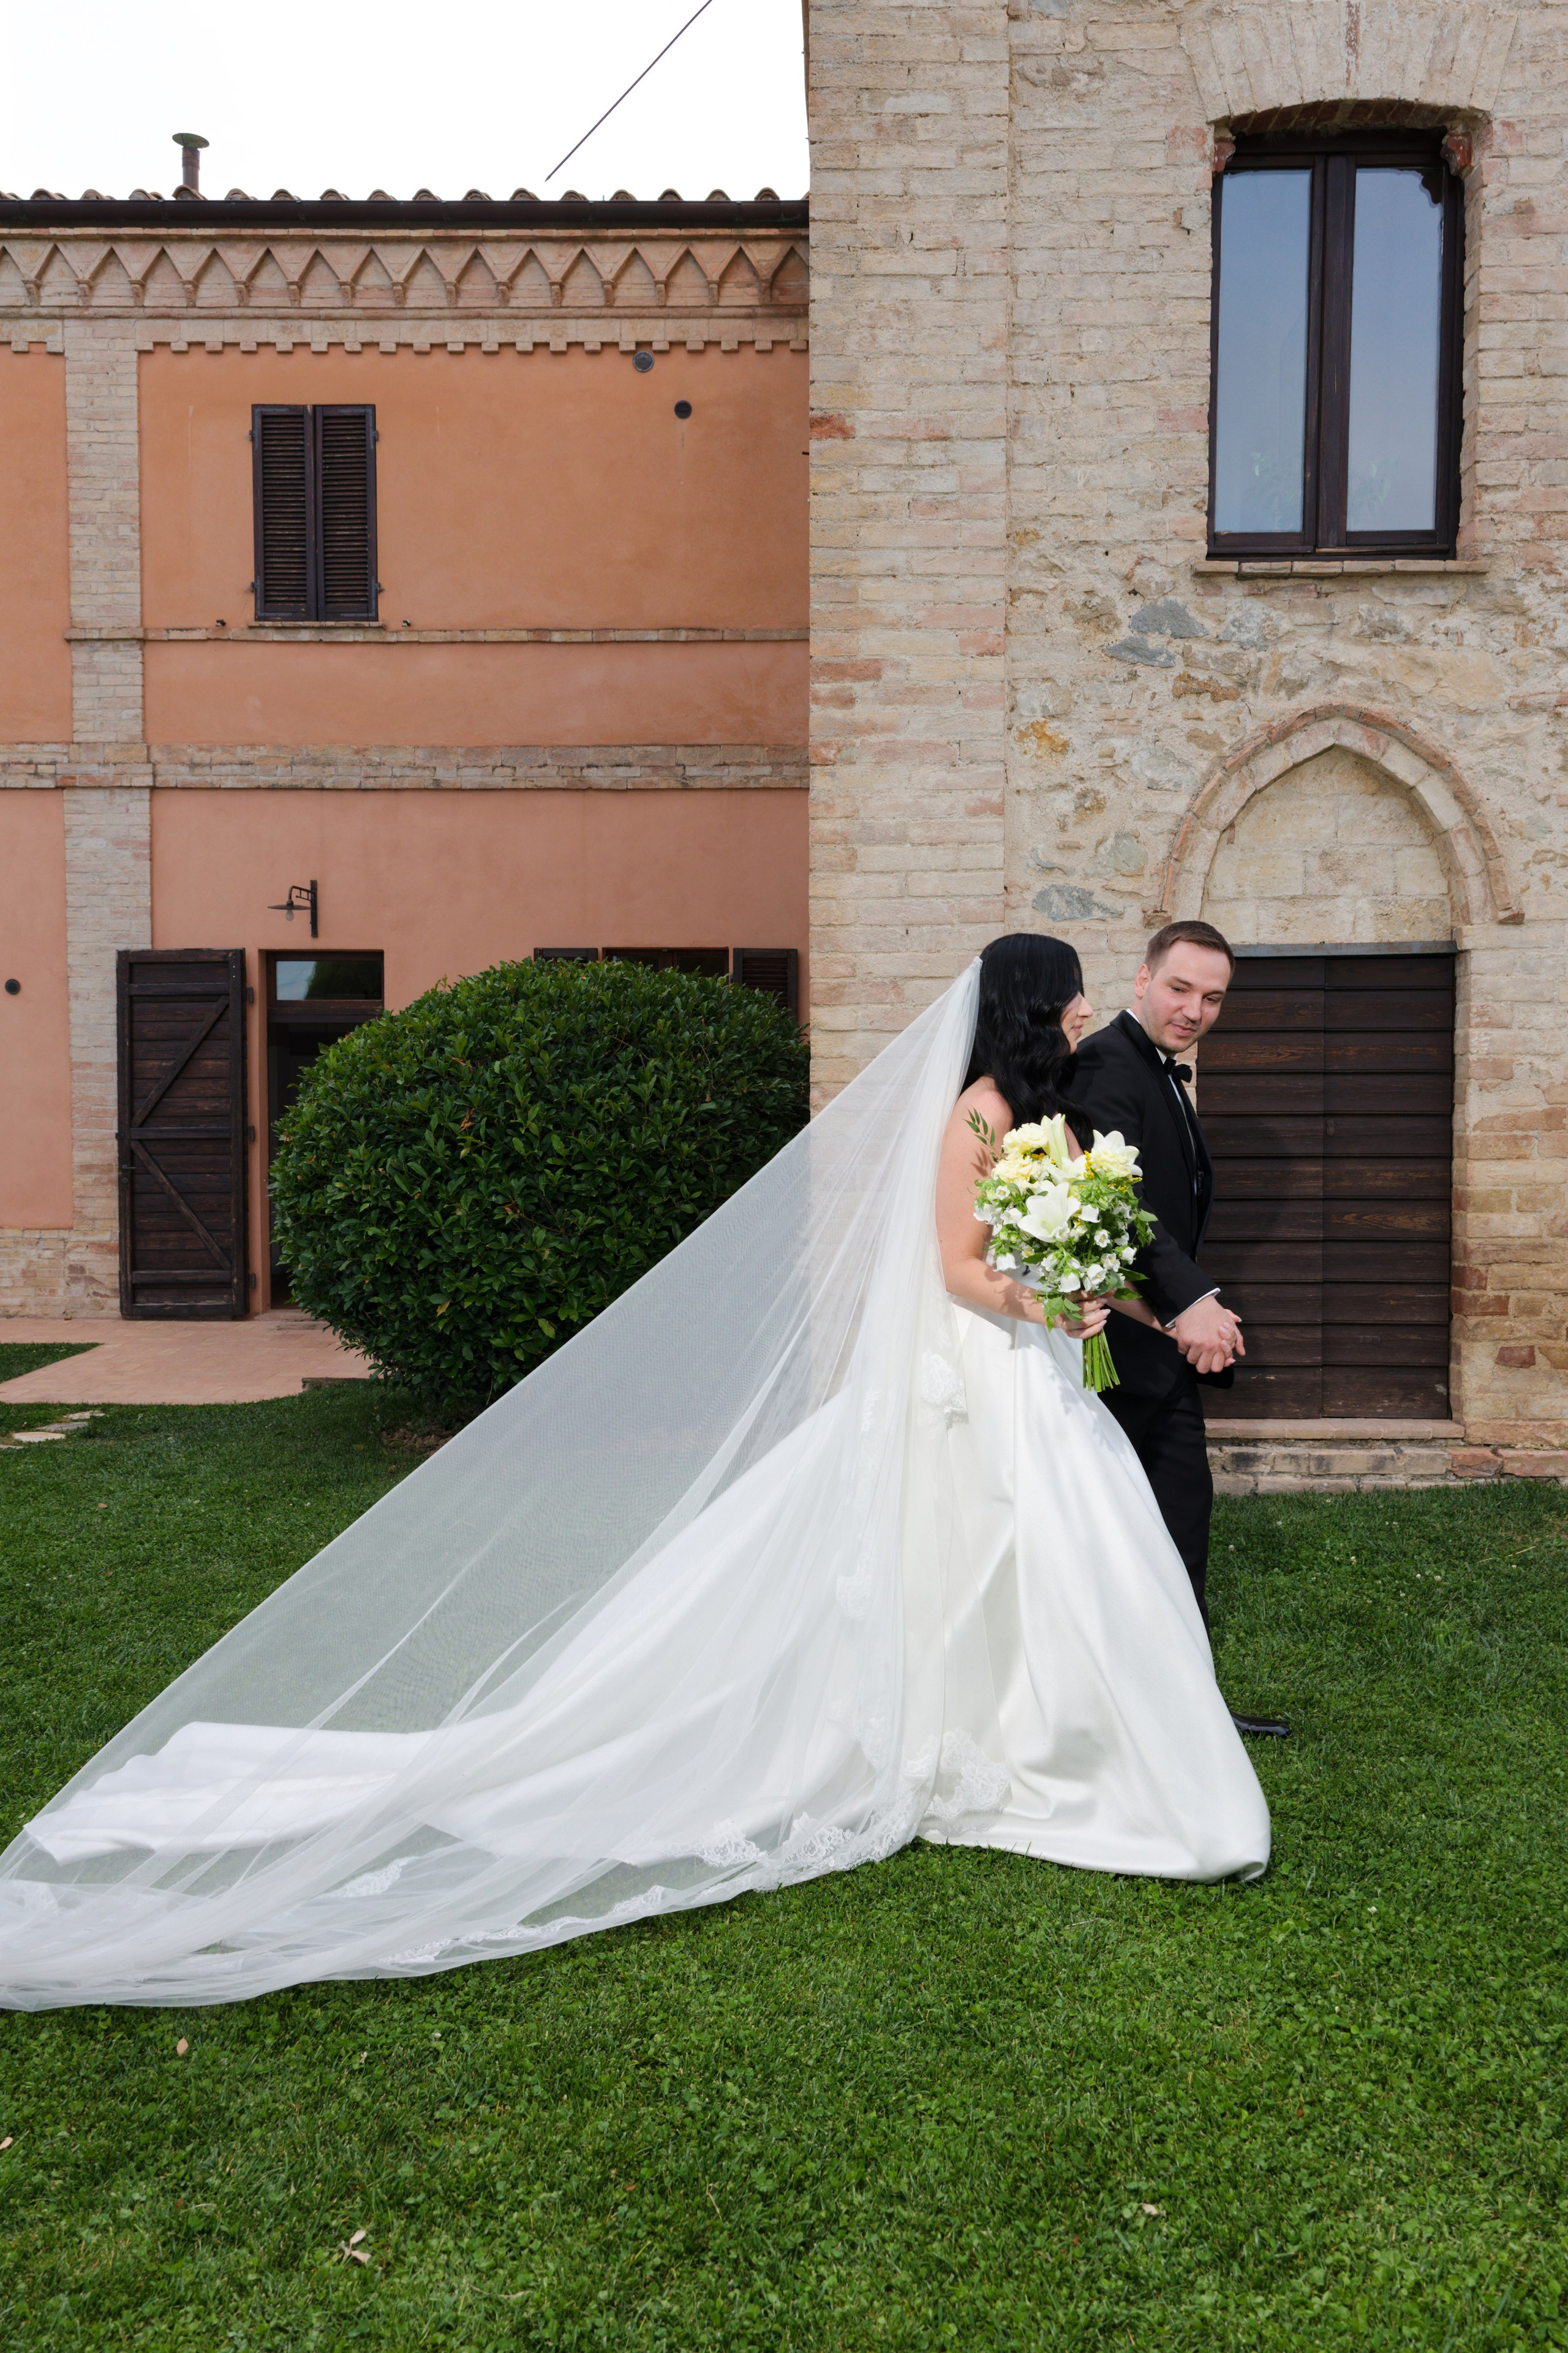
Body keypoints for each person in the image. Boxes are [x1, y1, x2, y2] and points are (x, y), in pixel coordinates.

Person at [0, 937, 1267, 2014]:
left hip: (1015, 1364)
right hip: (972, 1359)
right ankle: (968, 1734)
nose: (1085, 1010)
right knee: (962, 1534)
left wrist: (1068, 1296)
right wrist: (1046, 1297)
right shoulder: (976, 1116)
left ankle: (1022, 1725)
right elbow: (949, 1266)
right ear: (1033, 1006)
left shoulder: (1022, 1108)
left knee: (1026, 1540)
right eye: (1073, 995)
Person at [1071, 920, 1289, 1739]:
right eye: (1180, 988)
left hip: (1154, 1348)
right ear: (1141, 979)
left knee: (1177, 1519)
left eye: (1212, 997)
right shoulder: (1103, 1066)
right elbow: (1113, 1203)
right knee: (1134, 1527)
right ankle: (1146, 1714)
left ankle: (1182, 1709)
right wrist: (1188, 1298)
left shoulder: (1155, 1068)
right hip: (1115, 1346)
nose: (1195, 1009)